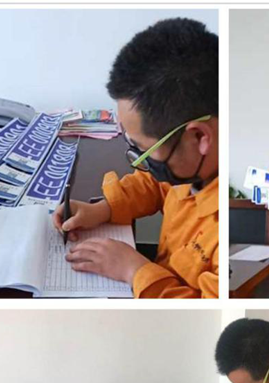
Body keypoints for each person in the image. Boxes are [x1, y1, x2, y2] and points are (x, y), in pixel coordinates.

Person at [52, 18, 219, 298]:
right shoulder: (189, 165)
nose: (142, 162)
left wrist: (135, 270)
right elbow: (155, 184)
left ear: (199, 137)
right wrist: (104, 209)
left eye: (145, 150)